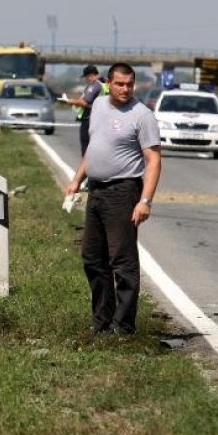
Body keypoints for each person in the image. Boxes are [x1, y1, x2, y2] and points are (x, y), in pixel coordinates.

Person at [63, 62, 162, 335]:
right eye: (119, 84)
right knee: (93, 258)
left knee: (123, 261)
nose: (125, 89)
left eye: (129, 84)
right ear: (109, 82)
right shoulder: (98, 107)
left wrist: (145, 201)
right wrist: (76, 179)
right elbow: (94, 148)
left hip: (123, 192)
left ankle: (124, 326)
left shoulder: (142, 115)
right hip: (95, 191)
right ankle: (102, 321)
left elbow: (153, 160)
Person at [65, 65, 106, 156]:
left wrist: (71, 102)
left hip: (89, 120)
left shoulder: (94, 86)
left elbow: (85, 102)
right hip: (100, 119)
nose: (86, 80)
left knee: (86, 147)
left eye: (86, 77)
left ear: (90, 76)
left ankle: (86, 169)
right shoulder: (104, 84)